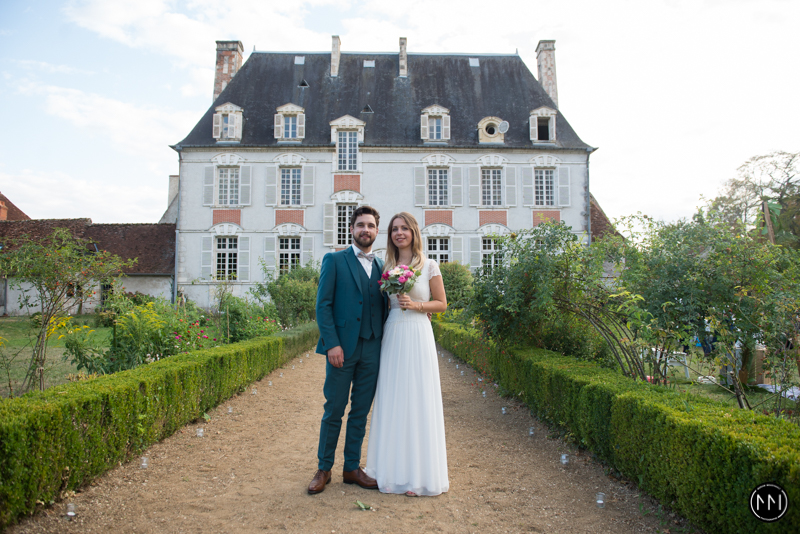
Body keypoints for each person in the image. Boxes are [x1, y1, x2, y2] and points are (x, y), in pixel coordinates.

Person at [365, 211, 449, 496]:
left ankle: (419, 477)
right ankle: (391, 472)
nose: (399, 233)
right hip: (393, 333)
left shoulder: (429, 265)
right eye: (394, 229)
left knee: (418, 397)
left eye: (404, 228)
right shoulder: (386, 266)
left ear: (413, 232)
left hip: (418, 332)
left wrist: (417, 306)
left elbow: (442, 303)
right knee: (393, 397)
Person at [308, 206, 388, 495]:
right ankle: (324, 468)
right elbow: (323, 305)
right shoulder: (334, 260)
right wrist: (332, 344)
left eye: (371, 225)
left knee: (360, 411)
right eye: (360, 225)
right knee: (334, 410)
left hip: (372, 348)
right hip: (342, 349)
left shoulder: (382, 267)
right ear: (351, 229)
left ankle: (352, 468)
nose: (366, 230)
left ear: (377, 231)